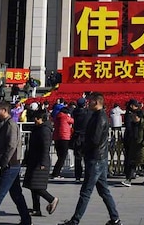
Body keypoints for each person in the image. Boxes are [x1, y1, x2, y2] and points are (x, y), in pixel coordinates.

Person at [58, 92, 121, 225]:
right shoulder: (97, 115)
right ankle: (115, 218)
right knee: (104, 190)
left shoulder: (100, 118)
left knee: (86, 192)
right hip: (99, 157)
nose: (88, 103)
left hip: (95, 158)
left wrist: (83, 148)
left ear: (97, 102)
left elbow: (95, 140)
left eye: (90, 101)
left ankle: (75, 220)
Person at [24, 110, 58, 217]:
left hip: (40, 161)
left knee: (37, 186)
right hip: (34, 160)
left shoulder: (44, 130)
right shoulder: (38, 129)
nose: (35, 120)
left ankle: (52, 199)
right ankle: (36, 209)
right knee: (33, 185)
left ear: (42, 119)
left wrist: (43, 162)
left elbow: (45, 147)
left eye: (37, 118)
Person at [120, 111, 144, 186]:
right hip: (133, 147)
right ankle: (128, 180)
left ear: (139, 117)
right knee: (132, 164)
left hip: (141, 148)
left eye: (135, 116)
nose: (133, 118)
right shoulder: (132, 124)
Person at [51, 105, 74, 178]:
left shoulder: (57, 117)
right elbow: (72, 121)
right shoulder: (65, 117)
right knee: (62, 157)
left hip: (57, 138)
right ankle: (56, 173)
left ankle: (56, 172)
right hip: (64, 138)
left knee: (59, 156)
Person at [70, 98, 90, 183]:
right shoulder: (87, 113)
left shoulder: (75, 112)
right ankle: (87, 175)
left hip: (77, 137)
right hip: (85, 137)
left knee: (77, 158)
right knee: (87, 158)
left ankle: (77, 176)